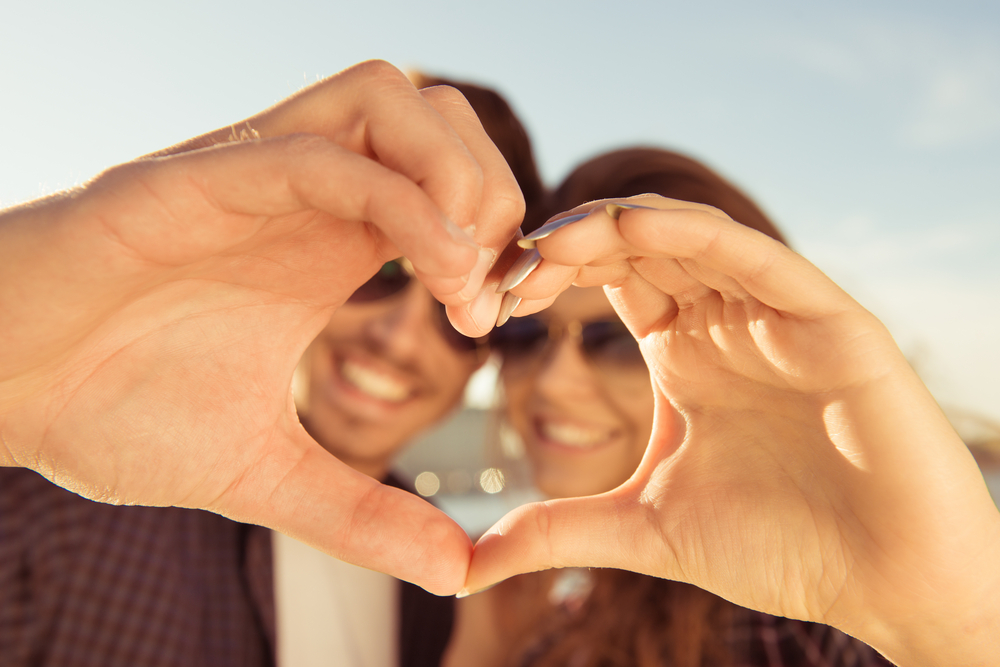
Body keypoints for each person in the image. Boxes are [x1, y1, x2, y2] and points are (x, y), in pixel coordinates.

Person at [0, 71, 543, 666]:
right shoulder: (70, 493)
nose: (400, 339)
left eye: (455, 307)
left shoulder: (441, 586)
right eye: (381, 272)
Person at [466, 185, 1000, 665]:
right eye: (525, 334)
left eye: (619, 341)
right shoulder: (555, 618)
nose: (554, 382)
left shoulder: (794, 634)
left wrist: (954, 630)